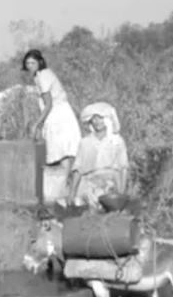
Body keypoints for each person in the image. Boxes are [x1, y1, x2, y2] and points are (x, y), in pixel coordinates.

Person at [23, 49, 82, 183]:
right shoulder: (39, 76)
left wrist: (36, 124)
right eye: (28, 63)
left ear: (40, 62)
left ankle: (66, 182)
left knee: (63, 150)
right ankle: (65, 182)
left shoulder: (43, 76)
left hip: (59, 113)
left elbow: (48, 104)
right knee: (62, 151)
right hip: (57, 112)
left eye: (33, 63)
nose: (30, 66)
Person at [65, 102, 130, 212]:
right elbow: (78, 169)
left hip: (111, 186)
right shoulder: (85, 143)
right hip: (89, 186)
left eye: (100, 118)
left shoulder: (117, 141)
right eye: (93, 119)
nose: (96, 122)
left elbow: (123, 168)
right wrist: (72, 193)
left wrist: (121, 194)